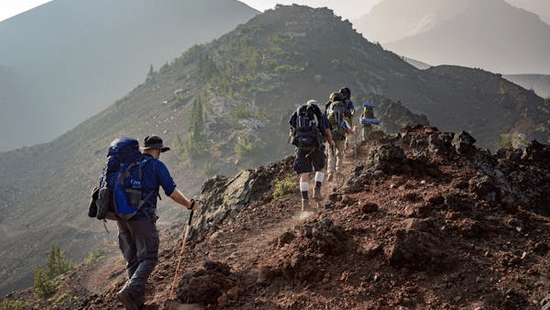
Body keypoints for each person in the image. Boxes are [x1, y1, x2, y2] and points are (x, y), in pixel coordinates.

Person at [116, 135, 198, 310]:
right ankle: (129, 291)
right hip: (142, 218)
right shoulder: (156, 165)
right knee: (149, 258)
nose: (160, 154)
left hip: (121, 218)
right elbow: (171, 191)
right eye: (160, 151)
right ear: (157, 150)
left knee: (133, 261)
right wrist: (189, 205)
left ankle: (136, 305)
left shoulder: (127, 164)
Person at [289, 99, 334, 211]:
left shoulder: (298, 113)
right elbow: (326, 132)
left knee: (304, 175)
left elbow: (292, 130)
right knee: (320, 169)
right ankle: (317, 190)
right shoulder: (318, 114)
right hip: (315, 147)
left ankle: (305, 203)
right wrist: (331, 143)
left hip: (301, 148)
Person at [326, 92, 357, 182]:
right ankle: (338, 171)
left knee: (331, 154)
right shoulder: (343, 108)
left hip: (331, 136)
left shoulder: (329, 108)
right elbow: (347, 119)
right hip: (341, 135)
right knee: (340, 154)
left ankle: (330, 171)